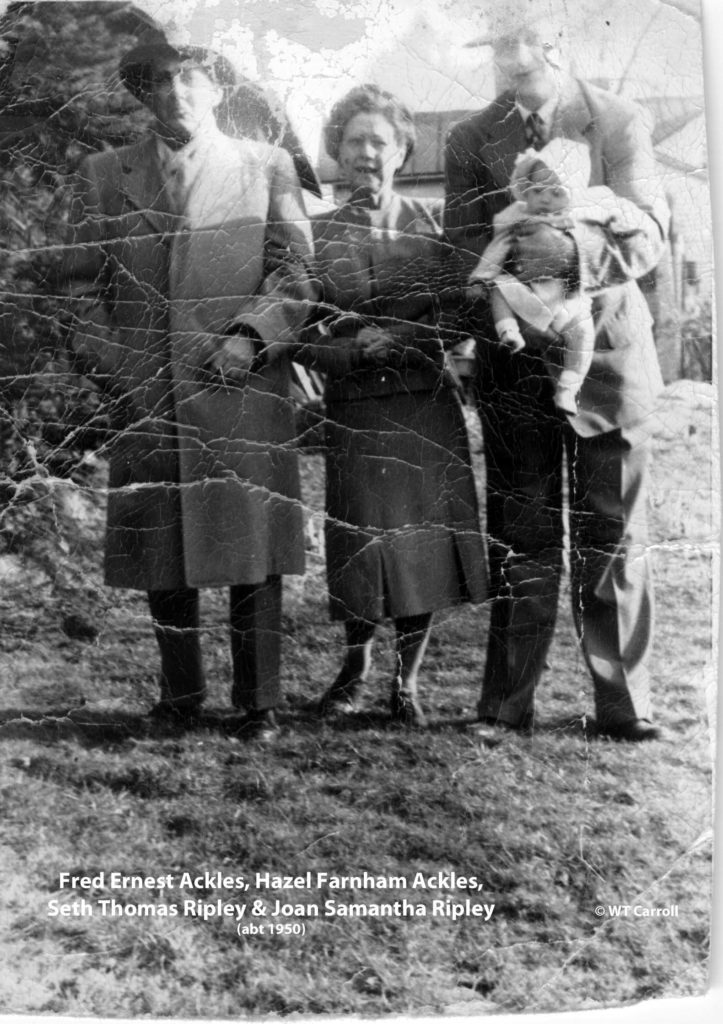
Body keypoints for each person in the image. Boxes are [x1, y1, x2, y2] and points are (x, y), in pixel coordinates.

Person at [59, 36, 315, 738]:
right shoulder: (106, 173)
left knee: (251, 550)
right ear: (143, 94)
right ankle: (180, 696)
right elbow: (80, 286)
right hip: (145, 392)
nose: (176, 92)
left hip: (241, 387)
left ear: (217, 88)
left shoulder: (266, 167)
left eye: (191, 78)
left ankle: (258, 702)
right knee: (161, 549)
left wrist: (251, 336)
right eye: (160, 81)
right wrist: (113, 366)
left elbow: (296, 275)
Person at [444, 2, 670, 741]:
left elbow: (649, 234)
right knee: (522, 531)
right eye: (498, 45)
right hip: (515, 364)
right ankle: (507, 707)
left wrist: (571, 257)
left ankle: (622, 706)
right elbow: (460, 249)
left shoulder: (617, 121)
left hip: (607, 357)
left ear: (559, 41)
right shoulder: (472, 137)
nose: (512, 59)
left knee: (612, 531)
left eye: (525, 43)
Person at [299, 84, 487, 727]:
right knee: (359, 542)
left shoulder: (434, 229)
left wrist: (400, 338)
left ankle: (406, 684)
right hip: (355, 409)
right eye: (354, 141)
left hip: (422, 407)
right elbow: (299, 328)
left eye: (380, 141)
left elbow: (462, 313)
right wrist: (349, 352)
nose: (367, 152)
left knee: (420, 546)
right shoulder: (314, 235)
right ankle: (354, 670)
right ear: (337, 151)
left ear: (403, 151)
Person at [467, 138, 653, 415]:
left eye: (556, 192)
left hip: (568, 298)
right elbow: (498, 249)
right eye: (538, 190)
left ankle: (569, 387)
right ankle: (509, 331)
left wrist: (585, 240)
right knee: (499, 288)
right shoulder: (517, 218)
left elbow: (633, 229)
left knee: (582, 332)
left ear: (574, 194)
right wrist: (480, 276)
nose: (544, 199)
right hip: (528, 295)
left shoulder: (585, 212)